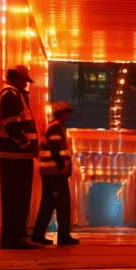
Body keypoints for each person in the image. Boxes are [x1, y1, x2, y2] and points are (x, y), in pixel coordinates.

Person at [0, 65, 39, 249]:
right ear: (16, 79)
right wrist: (26, 144)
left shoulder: (12, 96)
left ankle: (15, 236)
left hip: (15, 155)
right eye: (24, 81)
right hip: (15, 155)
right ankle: (14, 237)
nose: (26, 85)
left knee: (16, 197)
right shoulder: (10, 95)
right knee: (16, 197)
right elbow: (11, 125)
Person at [32, 101, 79, 246]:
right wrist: (62, 166)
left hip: (51, 173)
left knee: (48, 204)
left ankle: (38, 235)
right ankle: (63, 236)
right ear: (61, 113)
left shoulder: (55, 127)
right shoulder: (55, 128)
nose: (68, 115)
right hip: (55, 173)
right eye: (67, 113)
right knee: (62, 204)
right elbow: (56, 148)